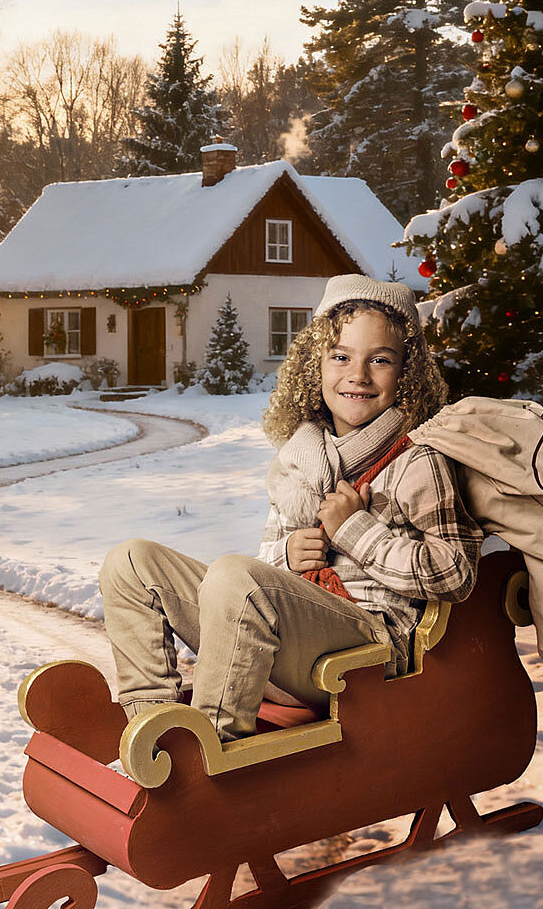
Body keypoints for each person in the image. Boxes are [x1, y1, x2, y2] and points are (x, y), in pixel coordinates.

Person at [98, 274, 484, 742]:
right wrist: (287, 555)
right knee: (132, 562)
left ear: (407, 374)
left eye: (379, 360)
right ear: (313, 366)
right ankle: (151, 727)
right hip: (291, 644)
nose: (357, 375)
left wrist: (356, 530)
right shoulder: (300, 458)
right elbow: (256, 581)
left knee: (235, 575)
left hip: (366, 649)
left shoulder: (416, 460)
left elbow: (456, 573)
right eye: (340, 357)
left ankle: (211, 746)